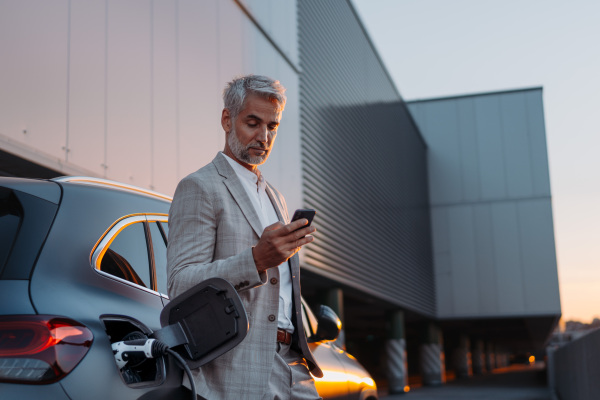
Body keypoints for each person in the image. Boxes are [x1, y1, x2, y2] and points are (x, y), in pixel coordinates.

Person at [167, 74, 322, 400]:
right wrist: (254, 260)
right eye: (253, 123)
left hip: (294, 366)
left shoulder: (274, 197)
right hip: (236, 370)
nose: (263, 136)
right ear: (227, 119)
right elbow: (180, 283)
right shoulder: (200, 186)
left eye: (272, 126)